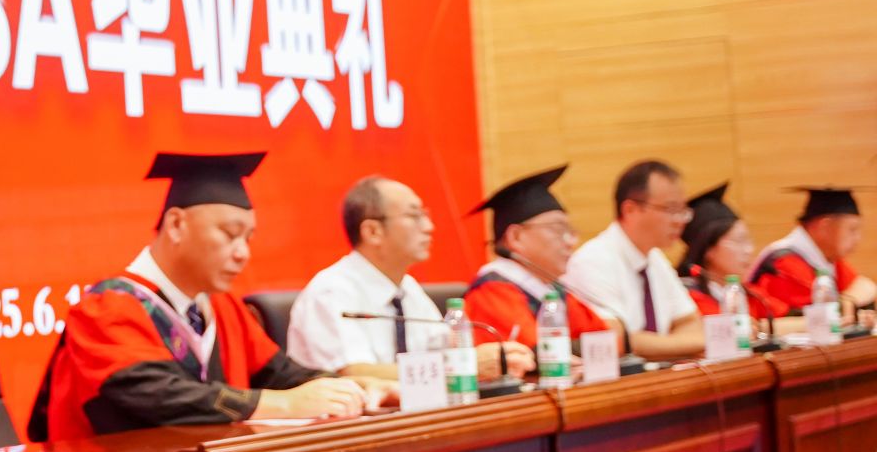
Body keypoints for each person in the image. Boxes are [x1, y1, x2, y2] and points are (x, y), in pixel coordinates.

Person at [28, 153, 383, 442]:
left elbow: (278, 373)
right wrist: (285, 405)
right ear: (176, 225)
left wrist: (351, 387)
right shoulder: (109, 306)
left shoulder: (221, 307)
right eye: (230, 234)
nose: (243, 253)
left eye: (248, 238)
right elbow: (160, 397)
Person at [289, 175, 532, 380]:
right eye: (414, 216)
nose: (429, 227)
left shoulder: (407, 287)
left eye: (425, 215)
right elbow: (354, 374)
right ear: (372, 231)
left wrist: (490, 359)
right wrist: (461, 366)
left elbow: (443, 349)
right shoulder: (332, 291)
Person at [564, 159, 705, 360]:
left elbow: (690, 322)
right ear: (630, 210)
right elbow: (618, 339)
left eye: (683, 211)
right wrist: (697, 342)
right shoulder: (592, 260)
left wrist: (670, 344)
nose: (680, 221)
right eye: (670, 209)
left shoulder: (655, 258)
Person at [464, 165, 612, 348]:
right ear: (516, 237)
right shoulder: (492, 291)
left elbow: (603, 340)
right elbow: (536, 352)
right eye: (558, 229)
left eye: (570, 231)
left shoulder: (552, 290)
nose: (570, 241)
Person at [750, 187, 877, 322]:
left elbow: (865, 286)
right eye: (852, 230)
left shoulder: (827, 257)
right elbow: (821, 315)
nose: (857, 239)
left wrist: (850, 300)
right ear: (824, 227)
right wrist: (849, 302)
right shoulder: (783, 263)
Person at [676, 183, 755, 318]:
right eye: (739, 241)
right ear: (708, 249)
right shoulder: (687, 300)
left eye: (748, 241)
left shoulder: (750, 294)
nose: (749, 250)